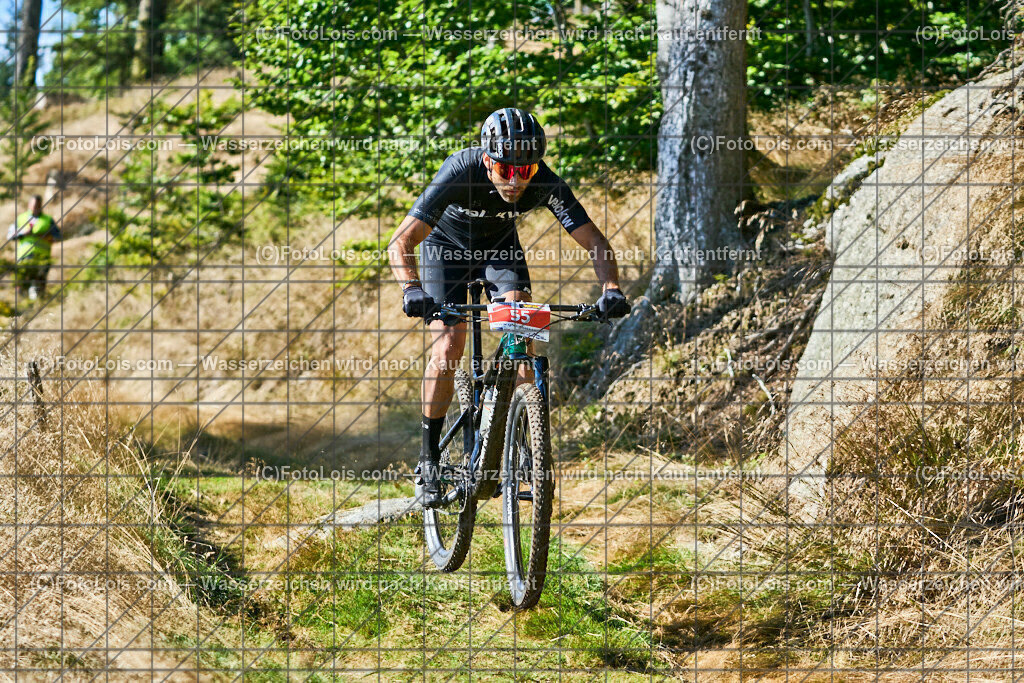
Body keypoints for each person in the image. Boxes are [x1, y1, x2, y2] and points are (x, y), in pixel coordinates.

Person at [387, 107, 631, 507]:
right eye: (506, 170)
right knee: (449, 346)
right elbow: (401, 241)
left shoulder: (544, 181)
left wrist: (612, 288)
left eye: (527, 171)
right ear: (487, 160)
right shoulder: (460, 169)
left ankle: (523, 441)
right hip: (443, 253)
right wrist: (411, 288)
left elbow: (596, 242)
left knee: (523, 342)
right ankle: (429, 457)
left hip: (499, 254)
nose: (517, 181)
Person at [7, 195, 61, 301]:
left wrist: (43, 236)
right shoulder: (21, 218)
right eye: (33, 205)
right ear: (29, 205)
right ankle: (21, 306)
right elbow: (10, 236)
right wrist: (23, 232)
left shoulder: (48, 220)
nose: (35, 207)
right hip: (24, 257)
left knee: (39, 284)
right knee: (22, 283)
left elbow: (58, 237)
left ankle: (38, 305)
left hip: (42, 257)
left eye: (38, 205)